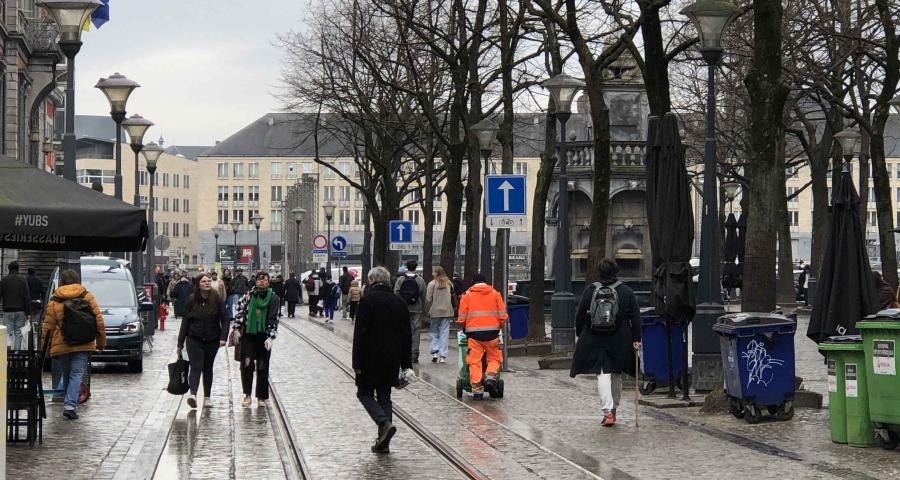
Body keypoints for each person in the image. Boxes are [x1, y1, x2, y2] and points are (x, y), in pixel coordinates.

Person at [570, 258, 641, 427]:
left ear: (599, 272)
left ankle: (607, 411)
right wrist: (636, 338)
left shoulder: (590, 290)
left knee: (602, 373)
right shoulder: (626, 291)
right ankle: (614, 407)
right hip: (620, 336)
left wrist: (581, 334)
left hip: (594, 336)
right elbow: (636, 317)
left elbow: (579, 315)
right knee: (616, 373)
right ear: (616, 272)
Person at [352, 266, 412, 454]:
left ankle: (384, 423)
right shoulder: (399, 302)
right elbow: (406, 335)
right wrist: (406, 364)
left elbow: (360, 335)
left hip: (370, 358)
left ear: (371, 280)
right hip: (392, 358)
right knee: (385, 395)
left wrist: (357, 364)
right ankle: (383, 441)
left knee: (364, 393)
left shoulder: (367, 301)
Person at [41, 269, 106, 419]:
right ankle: (70, 405)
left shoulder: (55, 300)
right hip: (83, 342)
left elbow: (48, 327)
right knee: (77, 374)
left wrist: (43, 348)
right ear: (78, 281)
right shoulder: (87, 296)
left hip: (62, 343)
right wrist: (101, 343)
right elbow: (99, 321)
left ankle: (68, 402)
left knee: (67, 373)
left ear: (61, 282)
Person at [177, 274, 229, 409]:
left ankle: (207, 397)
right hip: (194, 339)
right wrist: (180, 343)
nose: (207, 283)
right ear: (198, 284)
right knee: (196, 366)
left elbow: (225, 318)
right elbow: (185, 322)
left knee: (208, 368)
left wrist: (223, 337)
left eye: (208, 281)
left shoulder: (216, 298)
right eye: (203, 281)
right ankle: (193, 394)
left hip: (212, 339)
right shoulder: (191, 300)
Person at [233, 271, 280, 408]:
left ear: (268, 281)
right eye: (259, 280)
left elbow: (273, 318)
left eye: (264, 279)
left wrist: (271, 336)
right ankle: (247, 395)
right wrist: (236, 328)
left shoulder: (274, 298)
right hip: (249, 333)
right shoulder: (248, 296)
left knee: (263, 366)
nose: (262, 282)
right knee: (246, 364)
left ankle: (261, 396)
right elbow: (240, 312)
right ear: (256, 281)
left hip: (264, 336)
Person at [457, 273, 507, 399]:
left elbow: (462, 317)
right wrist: (499, 327)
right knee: (495, 358)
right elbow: (502, 315)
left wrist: (464, 328)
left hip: (474, 335)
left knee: (474, 361)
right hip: (492, 334)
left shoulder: (467, 296)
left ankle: (477, 390)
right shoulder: (495, 294)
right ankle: (490, 377)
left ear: (473, 283)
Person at [394, 260, 427, 363]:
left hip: (403, 308)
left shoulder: (401, 279)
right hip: (416, 308)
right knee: (416, 331)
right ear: (415, 267)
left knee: (403, 329)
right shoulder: (420, 280)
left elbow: (396, 292)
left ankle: (403, 352)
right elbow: (424, 294)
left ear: (406, 267)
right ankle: (414, 354)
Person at [426, 266, 456, 364]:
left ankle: (435, 352)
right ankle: (443, 355)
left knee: (435, 333)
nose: (432, 274)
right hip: (447, 311)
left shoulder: (432, 284)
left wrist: (427, 310)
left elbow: (428, 299)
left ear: (437, 273)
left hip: (435, 311)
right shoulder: (449, 283)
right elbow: (453, 296)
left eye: (433, 272)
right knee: (444, 333)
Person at [0, 261, 31, 350]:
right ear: (18, 269)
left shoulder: (3, 280)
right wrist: (27, 312)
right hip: (20, 311)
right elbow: (27, 297)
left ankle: (7, 354)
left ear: (8, 269)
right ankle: (17, 354)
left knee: (7, 333)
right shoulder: (23, 280)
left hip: (7, 310)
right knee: (19, 333)